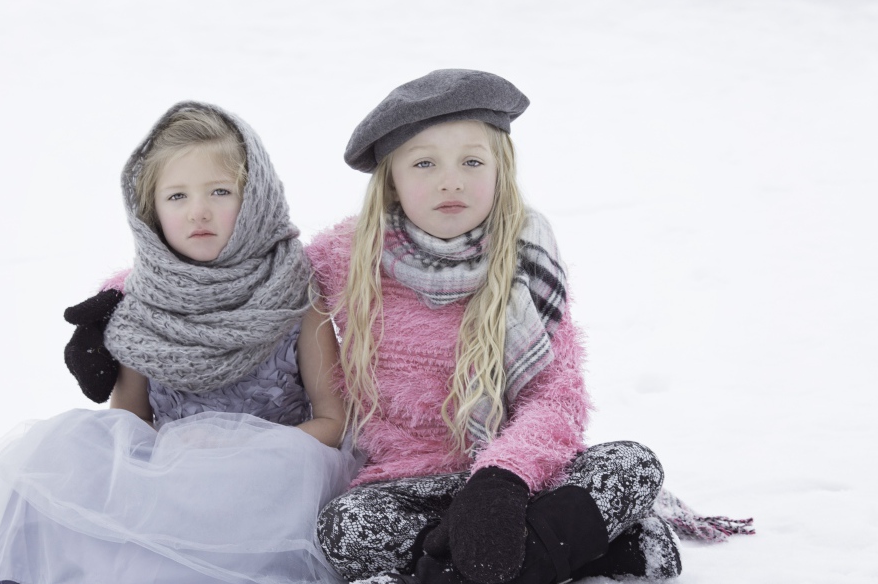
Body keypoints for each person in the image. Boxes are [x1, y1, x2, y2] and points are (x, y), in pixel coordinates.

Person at [305, 69, 752, 584]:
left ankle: (452, 570)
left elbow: (555, 397)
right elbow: (259, 279)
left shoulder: (526, 259)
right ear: (391, 180)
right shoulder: (347, 257)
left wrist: (501, 481)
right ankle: (574, 552)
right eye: (424, 163)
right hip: (409, 484)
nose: (450, 180)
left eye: (471, 161)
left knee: (633, 465)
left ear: (501, 169)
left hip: (521, 477)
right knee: (347, 529)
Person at [0, 102, 360, 584]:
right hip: (175, 482)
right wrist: (167, 461)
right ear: (150, 211)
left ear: (256, 198)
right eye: (176, 196)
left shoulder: (296, 295)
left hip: (267, 488)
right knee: (64, 452)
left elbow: (332, 420)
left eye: (220, 192)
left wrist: (244, 449)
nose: (198, 211)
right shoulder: (141, 303)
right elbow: (127, 420)